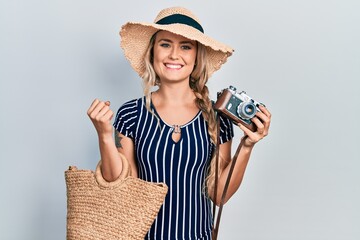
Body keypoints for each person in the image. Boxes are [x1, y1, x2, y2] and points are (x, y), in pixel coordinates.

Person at [87, 6, 271, 240]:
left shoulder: (217, 118)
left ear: (196, 57)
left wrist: (247, 146)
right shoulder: (131, 114)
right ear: (153, 52)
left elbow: (219, 195)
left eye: (185, 46)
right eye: (165, 44)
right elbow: (120, 185)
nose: (174, 55)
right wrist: (104, 136)